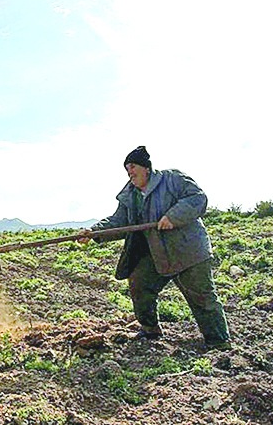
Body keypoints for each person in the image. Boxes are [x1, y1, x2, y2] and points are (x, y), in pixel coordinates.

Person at [79, 146, 231, 350]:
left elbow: (197, 198)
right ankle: (150, 329)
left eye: (133, 167)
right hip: (157, 252)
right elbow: (120, 221)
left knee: (202, 296)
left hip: (188, 250)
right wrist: (94, 232)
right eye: (126, 169)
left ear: (146, 168)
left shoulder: (172, 179)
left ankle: (218, 341)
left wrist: (173, 217)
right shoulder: (130, 194)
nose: (129, 172)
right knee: (139, 284)